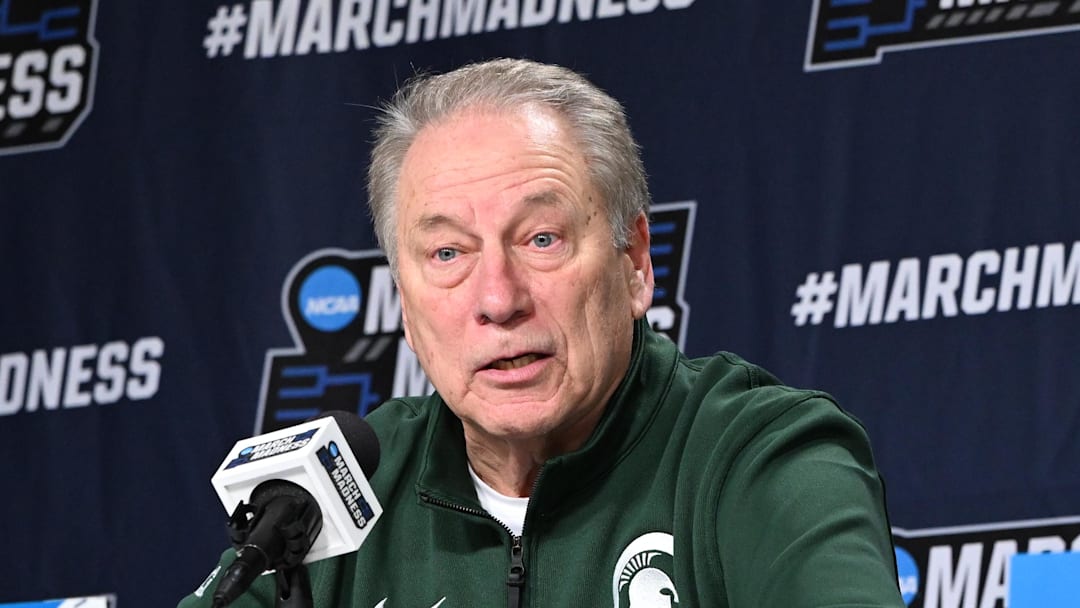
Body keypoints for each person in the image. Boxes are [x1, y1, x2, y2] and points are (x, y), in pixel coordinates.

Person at [180, 58, 904, 607]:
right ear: (404, 302)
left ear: (634, 263)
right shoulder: (331, 498)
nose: (498, 299)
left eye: (542, 239)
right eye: (448, 254)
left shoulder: (760, 457)